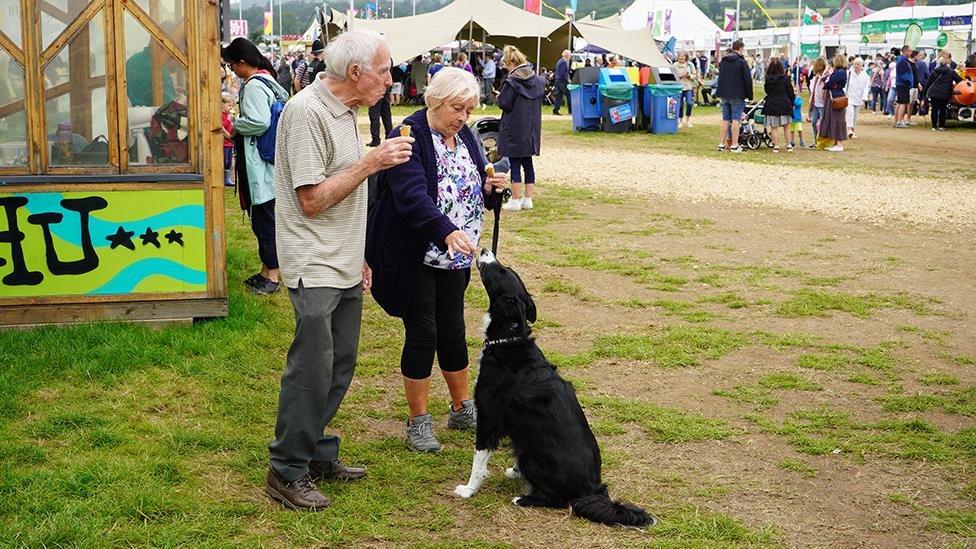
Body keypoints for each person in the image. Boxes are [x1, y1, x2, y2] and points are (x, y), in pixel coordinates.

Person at [267, 29, 415, 512]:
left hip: (346, 259)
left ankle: (313, 450)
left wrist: (363, 253)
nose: (391, 80)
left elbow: (344, 195)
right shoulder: (306, 112)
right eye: (385, 69)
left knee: (339, 363)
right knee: (312, 368)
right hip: (314, 259)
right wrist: (372, 162)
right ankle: (287, 469)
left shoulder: (350, 112)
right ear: (356, 73)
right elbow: (311, 200)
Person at [365, 68, 506, 452]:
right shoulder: (407, 137)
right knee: (423, 333)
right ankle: (418, 422)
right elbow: (412, 197)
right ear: (434, 101)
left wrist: (491, 191)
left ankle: (462, 407)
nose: (463, 117)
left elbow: (468, 191)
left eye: (468, 109)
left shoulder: (467, 138)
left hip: (454, 257)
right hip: (414, 253)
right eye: (457, 108)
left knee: (453, 329)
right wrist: (445, 230)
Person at [221, 38, 289, 295]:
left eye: (231, 65)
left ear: (241, 63)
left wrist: (236, 124)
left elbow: (259, 122)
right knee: (264, 218)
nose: (232, 71)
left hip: (260, 165)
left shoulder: (253, 87)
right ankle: (265, 271)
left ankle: (272, 277)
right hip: (268, 162)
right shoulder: (267, 81)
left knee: (264, 220)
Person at [497, 45, 543, 212]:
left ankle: (515, 200)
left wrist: (499, 95)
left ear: (510, 62)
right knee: (528, 163)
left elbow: (504, 103)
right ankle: (528, 199)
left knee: (515, 164)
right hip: (532, 128)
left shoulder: (512, 82)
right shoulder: (538, 80)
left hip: (515, 127)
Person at [715, 39, 753, 153]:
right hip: (737, 94)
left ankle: (721, 144)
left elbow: (720, 77)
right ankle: (734, 145)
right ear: (741, 49)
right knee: (736, 119)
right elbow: (747, 80)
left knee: (725, 119)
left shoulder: (724, 60)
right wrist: (750, 96)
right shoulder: (741, 62)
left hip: (724, 94)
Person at [922, 55, 963, 131]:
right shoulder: (951, 71)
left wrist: (924, 93)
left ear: (939, 63)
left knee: (934, 109)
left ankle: (934, 126)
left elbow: (928, 82)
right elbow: (959, 80)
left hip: (934, 93)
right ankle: (941, 126)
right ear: (946, 63)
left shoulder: (934, 71)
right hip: (944, 93)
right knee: (942, 109)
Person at [763, 59, 795, 152]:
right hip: (784, 104)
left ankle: (776, 146)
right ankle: (789, 145)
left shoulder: (768, 79)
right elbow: (791, 92)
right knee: (787, 126)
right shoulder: (786, 78)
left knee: (774, 127)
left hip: (772, 104)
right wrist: (792, 103)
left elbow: (767, 91)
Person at [818, 54, 848, 152]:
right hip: (835, 96)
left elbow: (830, 83)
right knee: (833, 119)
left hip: (836, 97)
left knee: (837, 119)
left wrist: (826, 84)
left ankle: (839, 144)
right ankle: (835, 143)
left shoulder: (840, 72)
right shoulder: (840, 72)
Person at [845, 58, 869, 138]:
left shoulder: (865, 75)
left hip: (859, 98)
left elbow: (866, 87)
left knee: (855, 115)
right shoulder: (849, 73)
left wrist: (865, 96)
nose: (856, 65)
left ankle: (852, 130)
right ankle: (849, 129)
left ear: (861, 65)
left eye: (858, 64)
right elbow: (845, 85)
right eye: (855, 64)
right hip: (849, 97)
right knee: (850, 113)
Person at [673, 51, 697, 128]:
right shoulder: (675, 65)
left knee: (689, 103)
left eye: (682, 56)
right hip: (679, 87)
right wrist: (679, 76)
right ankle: (680, 121)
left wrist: (689, 76)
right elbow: (673, 75)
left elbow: (695, 75)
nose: (681, 58)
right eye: (679, 56)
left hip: (688, 87)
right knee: (680, 105)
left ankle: (688, 120)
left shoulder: (690, 64)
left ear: (686, 57)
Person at [807, 57, 827, 146]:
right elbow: (813, 90)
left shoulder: (825, 77)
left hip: (822, 105)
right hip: (815, 104)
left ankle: (821, 141)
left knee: (822, 124)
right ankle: (815, 140)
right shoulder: (816, 77)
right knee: (814, 122)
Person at [894, 45, 914, 128]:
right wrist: (909, 81)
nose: (911, 53)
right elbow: (903, 74)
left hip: (901, 84)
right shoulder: (902, 61)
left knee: (900, 102)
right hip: (903, 84)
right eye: (909, 51)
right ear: (905, 51)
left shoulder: (902, 60)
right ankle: (899, 122)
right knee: (903, 103)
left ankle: (897, 121)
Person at [221, 93, 236, 187]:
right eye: (229, 105)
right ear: (222, 104)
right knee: (224, 161)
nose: (231, 108)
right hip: (224, 143)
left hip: (229, 143)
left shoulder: (228, 115)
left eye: (232, 106)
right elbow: (222, 128)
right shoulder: (222, 116)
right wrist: (228, 120)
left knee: (229, 162)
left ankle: (227, 179)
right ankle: (222, 178)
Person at [552, 50, 571, 116]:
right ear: (567, 55)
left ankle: (555, 110)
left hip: (557, 81)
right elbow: (563, 73)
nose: (570, 57)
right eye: (570, 55)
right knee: (569, 94)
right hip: (562, 81)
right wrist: (568, 80)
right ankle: (570, 111)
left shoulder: (559, 61)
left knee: (559, 96)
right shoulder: (564, 62)